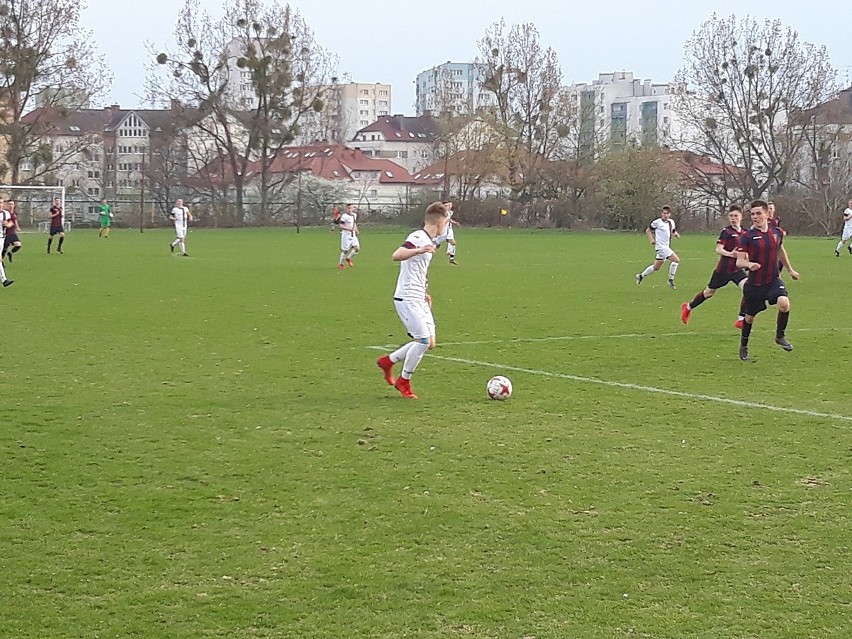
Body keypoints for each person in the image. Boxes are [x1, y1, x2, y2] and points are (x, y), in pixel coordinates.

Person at [376, 201, 448, 399]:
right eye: (446, 222)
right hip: (406, 298)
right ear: (440, 223)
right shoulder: (417, 238)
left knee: (430, 342)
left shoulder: (428, 241)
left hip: (419, 297)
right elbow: (396, 255)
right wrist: (419, 250)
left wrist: (425, 291)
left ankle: (388, 361)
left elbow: (419, 270)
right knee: (423, 341)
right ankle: (404, 381)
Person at [735, 200, 800, 361]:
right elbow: (739, 261)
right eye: (752, 214)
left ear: (766, 214)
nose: (755, 217)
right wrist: (749, 264)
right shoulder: (747, 237)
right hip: (755, 284)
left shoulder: (776, 232)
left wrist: (790, 269)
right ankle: (744, 345)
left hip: (773, 280)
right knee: (749, 318)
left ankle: (780, 336)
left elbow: (780, 251)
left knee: (784, 304)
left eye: (758, 213)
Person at [681, 205, 748, 327]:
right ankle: (688, 307)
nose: (733, 218)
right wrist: (730, 254)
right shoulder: (726, 232)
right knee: (709, 293)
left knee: (749, 289)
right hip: (723, 270)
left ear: (741, 217)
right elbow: (718, 249)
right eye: (731, 216)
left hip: (737, 270)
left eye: (736, 216)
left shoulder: (745, 233)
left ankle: (740, 319)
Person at [635, 205, 680, 289]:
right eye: (664, 213)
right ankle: (670, 280)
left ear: (669, 214)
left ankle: (641, 275)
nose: (665, 215)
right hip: (661, 247)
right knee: (676, 260)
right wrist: (651, 240)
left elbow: (672, 231)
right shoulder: (657, 222)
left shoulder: (671, 222)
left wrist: (676, 234)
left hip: (666, 246)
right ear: (661, 214)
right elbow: (648, 230)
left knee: (656, 267)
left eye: (667, 213)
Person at [336, 203, 360, 269]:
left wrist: (356, 229)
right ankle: (341, 264)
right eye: (348, 208)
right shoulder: (344, 216)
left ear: (353, 208)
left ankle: (348, 258)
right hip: (346, 236)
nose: (350, 210)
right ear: (346, 209)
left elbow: (354, 223)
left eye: (351, 208)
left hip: (353, 235)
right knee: (345, 251)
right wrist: (348, 229)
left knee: (357, 248)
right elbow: (340, 226)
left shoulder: (354, 215)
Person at [0, 201, 13, 287]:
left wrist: (8, 225)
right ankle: (4, 279)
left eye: (1, 202)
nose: (0, 204)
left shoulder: (5, 213)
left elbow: (11, 222)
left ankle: (4, 279)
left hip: (1, 238)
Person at [442, 200, 460, 264]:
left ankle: (451, 258)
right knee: (434, 245)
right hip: (442, 230)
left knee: (453, 243)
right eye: (447, 205)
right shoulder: (442, 213)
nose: (449, 206)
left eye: (450, 205)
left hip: (449, 230)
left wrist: (454, 223)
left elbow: (449, 219)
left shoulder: (450, 212)